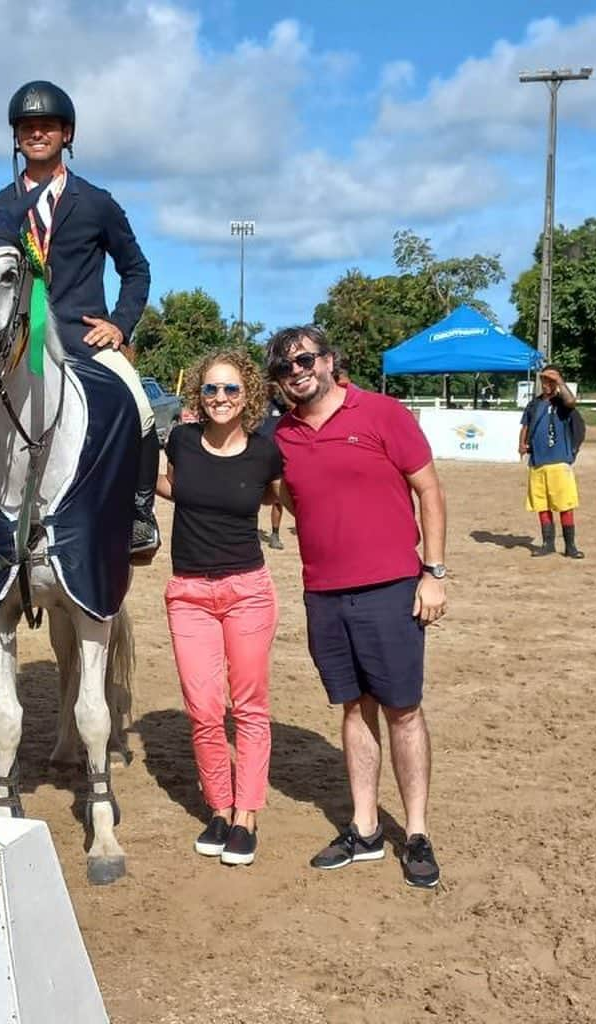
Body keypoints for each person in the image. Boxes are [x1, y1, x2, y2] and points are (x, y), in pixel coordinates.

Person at [267, 325, 447, 889]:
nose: (296, 372)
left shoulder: (383, 413)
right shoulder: (282, 437)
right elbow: (290, 499)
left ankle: (415, 832)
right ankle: (366, 829)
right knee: (352, 708)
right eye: (283, 368)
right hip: (323, 592)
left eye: (304, 360)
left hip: (393, 587)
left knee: (403, 710)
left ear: (329, 359)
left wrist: (433, 573)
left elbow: (430, 491)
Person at [0, 80, 160, 560]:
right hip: (21, 340)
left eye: (46, 126)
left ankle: (140, 515)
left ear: (67, 134)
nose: (36, 133)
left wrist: (120, 325)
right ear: (16, 137)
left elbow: (136, 269)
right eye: (27, 127)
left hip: (84, 338)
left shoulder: (96, 202)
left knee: (142, 409)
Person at [157, 349, 282, 867]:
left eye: (230, 389)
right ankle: (218, 806)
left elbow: (280, 496)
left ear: (247, 394)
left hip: (247, 590)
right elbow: (169, 484)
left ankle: (246, 814)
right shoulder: (181, 440)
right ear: (198, 396)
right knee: (204, 709)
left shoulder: (264, 451)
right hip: (188, 594)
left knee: (248, 707)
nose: (221, 399)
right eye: (211, 389)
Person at [519, 365, 584, 559]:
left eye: (550, 381)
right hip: (537, 461)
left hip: (558, 461)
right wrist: (521, 444)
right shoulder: (533, 404)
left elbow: (572, 401)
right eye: (544, 381)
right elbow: (526, 425)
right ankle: (548, 543)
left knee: (565, 504)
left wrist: (560, 381)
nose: (546, 385)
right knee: (542, 504)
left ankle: (570, 546)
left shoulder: (562, 403)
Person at [257, 381, 290, 550]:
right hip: (258, 459)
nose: (268, 389)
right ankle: (250, 531)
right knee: (252, 496)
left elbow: (294, 407)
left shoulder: (282, 405)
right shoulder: (256, 408)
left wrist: (281, 389)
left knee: (279, 499)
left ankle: (275, 535)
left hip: (277, 459)